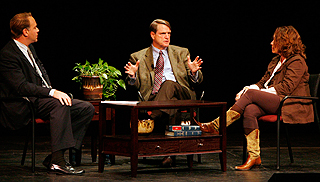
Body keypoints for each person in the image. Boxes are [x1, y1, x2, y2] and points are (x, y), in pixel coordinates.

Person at [195, 25, 314, 170]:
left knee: (250, 95)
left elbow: (286, 88)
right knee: (250, 109)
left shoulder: (297, 61)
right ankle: (254, 156)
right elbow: (262, 82)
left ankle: (216, 125)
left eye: (274, 40)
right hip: (276, 100)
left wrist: (250, 93)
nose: (271, 43)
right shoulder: (275, 61)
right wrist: (247, 89)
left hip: (289, 103)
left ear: (284, 42)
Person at [0, 12, 95, 175]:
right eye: (35, 27)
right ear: (25, 32)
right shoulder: (8, 54)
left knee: (86, 108)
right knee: (59, 104)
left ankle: (56, 156)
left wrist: (54, 92)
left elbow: (41, 74)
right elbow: (21, 87)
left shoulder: (30, 49)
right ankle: (58, 162)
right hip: (21, 104)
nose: (38, 30)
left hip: (39, 100)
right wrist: (52, 92)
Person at [124, 19, 203, 166]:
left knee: (168, 85)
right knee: (172, 105)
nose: (167, 37)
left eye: (169, 34)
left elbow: (197, 82)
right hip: (155, 97)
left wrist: (193, 73)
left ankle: (152, 116)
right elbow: (134, 87)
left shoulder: (182, 52)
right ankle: (169, 155)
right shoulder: (138, 57)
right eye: (162, 34)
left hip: (182, 92)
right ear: (153, 35)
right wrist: (133, 76)